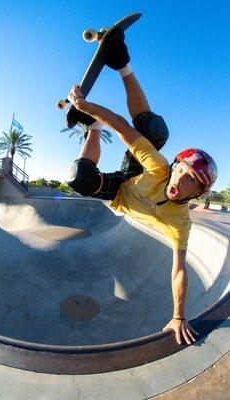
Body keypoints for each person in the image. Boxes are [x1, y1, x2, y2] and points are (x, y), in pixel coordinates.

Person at [65, 30, 218, 345]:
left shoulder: (181, 223)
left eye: (192, 183)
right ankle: (122, 66)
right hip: (132, 175)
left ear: (197, 194)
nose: (180, 183)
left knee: (78, 178)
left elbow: (179, 271)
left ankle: (90, 127)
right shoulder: (161, 167)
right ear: (175, 167)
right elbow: (121, 126)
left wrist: (178, 315)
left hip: (119, 196)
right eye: (182, 173)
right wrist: (86, 105)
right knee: (153, 129)